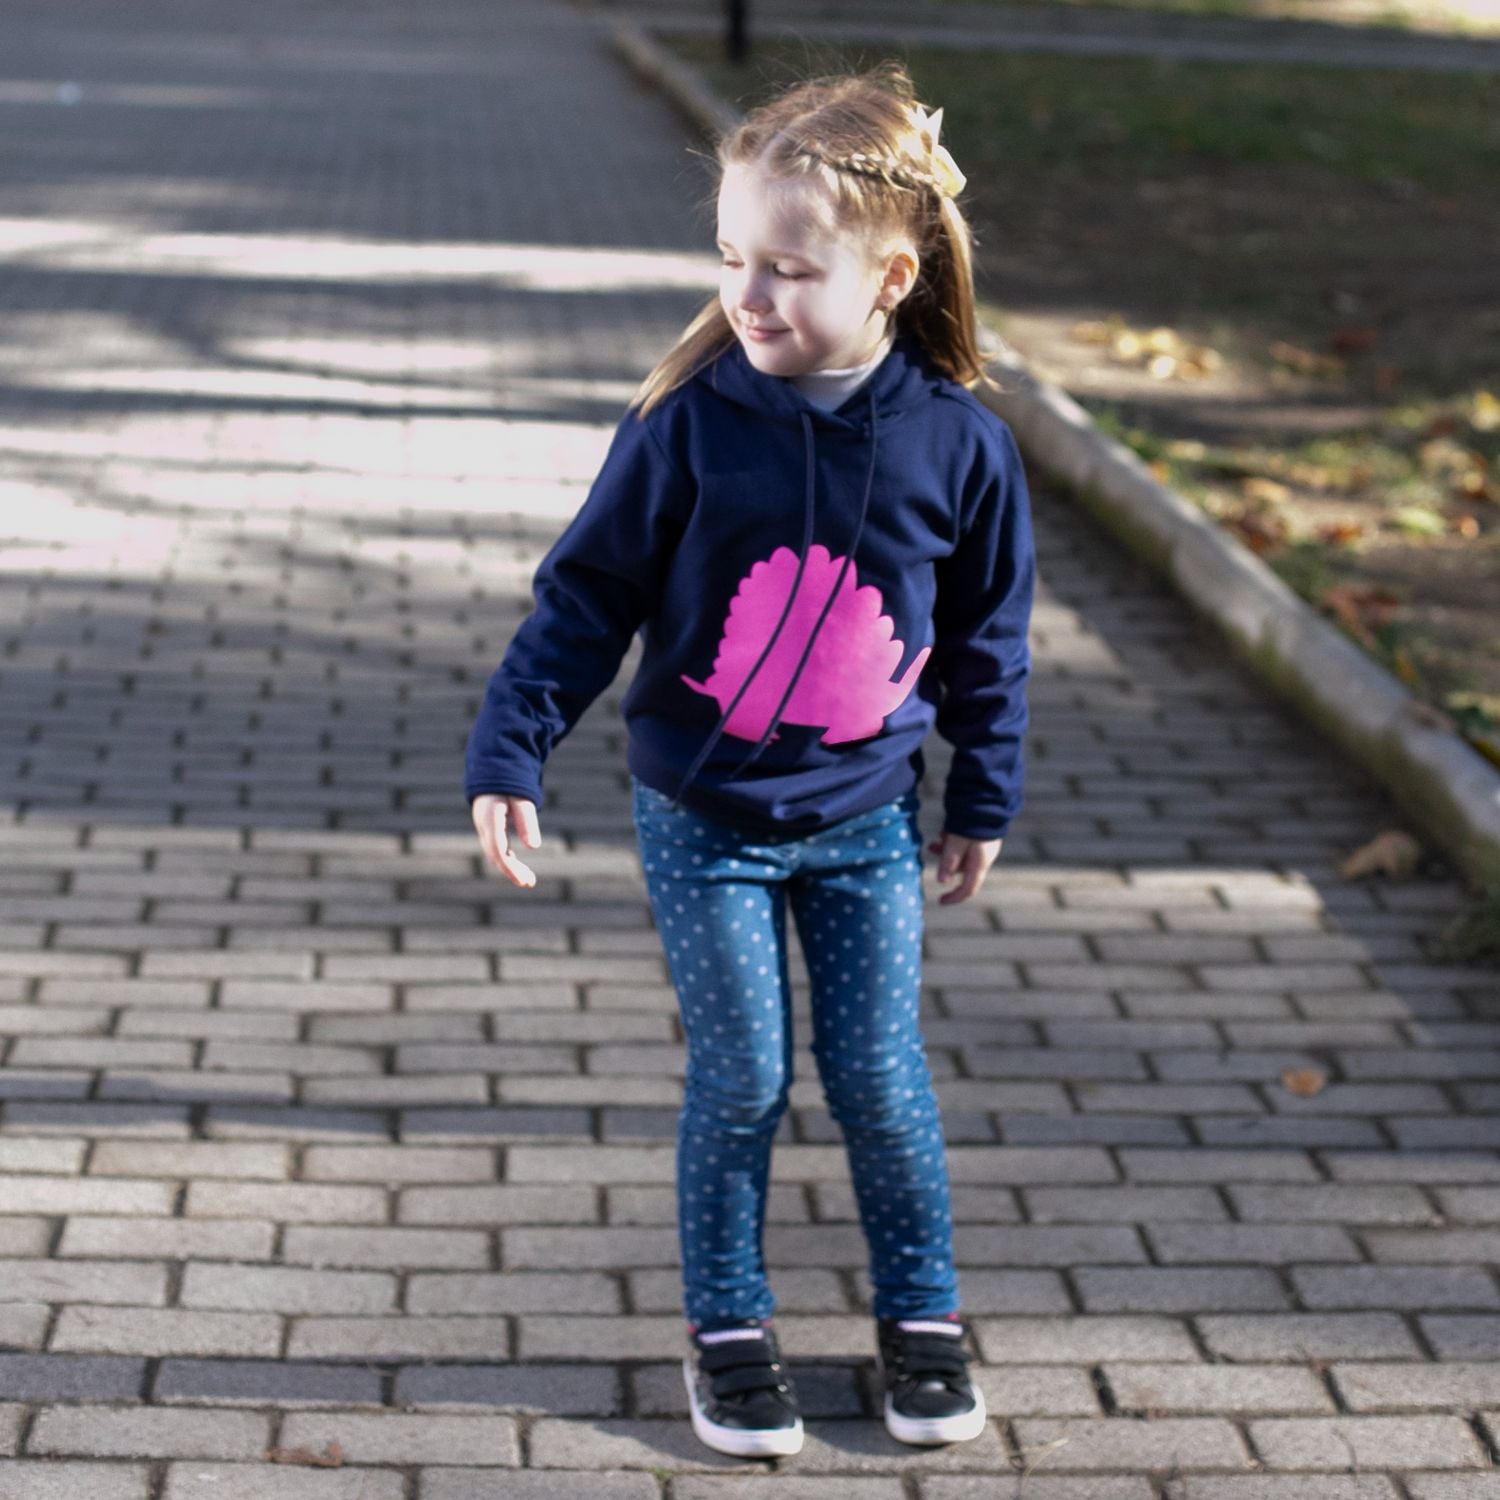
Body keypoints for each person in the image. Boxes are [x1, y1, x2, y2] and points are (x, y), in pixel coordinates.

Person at [466, 63, 1035, 1459]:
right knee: (741, 1081)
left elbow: (988, 639)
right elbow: (585, 597)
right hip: (703, 817)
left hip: (865, 823)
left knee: (880, 1078)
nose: (751, 295)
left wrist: (985, 794)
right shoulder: (689, 424)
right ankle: (729, 1330)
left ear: (891, 275)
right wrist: (513, 746)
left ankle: (922, 1323)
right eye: (733, 259)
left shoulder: (960, 443)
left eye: (788, 269)